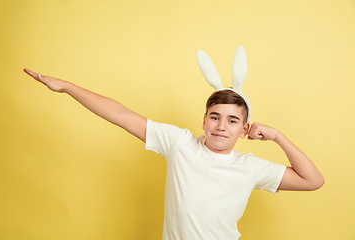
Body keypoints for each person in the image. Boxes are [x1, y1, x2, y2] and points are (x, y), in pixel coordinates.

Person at [23, 65, 324, 240]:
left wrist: (277, 137)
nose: (221, 126)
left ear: (244, 129)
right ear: (204, 120)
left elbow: (313, 180)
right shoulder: (179, 144)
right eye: (215, 117)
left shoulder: (251, 166)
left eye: (233, 120)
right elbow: (120, 114)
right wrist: (67, 87)